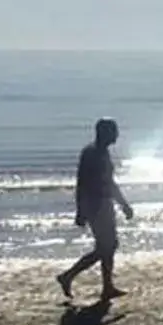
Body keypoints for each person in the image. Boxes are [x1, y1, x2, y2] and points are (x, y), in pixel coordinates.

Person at [58, 118, 134, 300]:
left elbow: (110, 182)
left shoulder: (103, 152)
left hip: (105, 203)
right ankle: (68, 275)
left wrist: (123, 204)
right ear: (104, 132)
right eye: (114, 131)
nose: (117, 135)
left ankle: (107, 286)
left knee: (109, 245)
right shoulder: (91, 153)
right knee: (106, 246)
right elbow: (81, 183)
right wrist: (80, 211)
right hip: (95, 205)